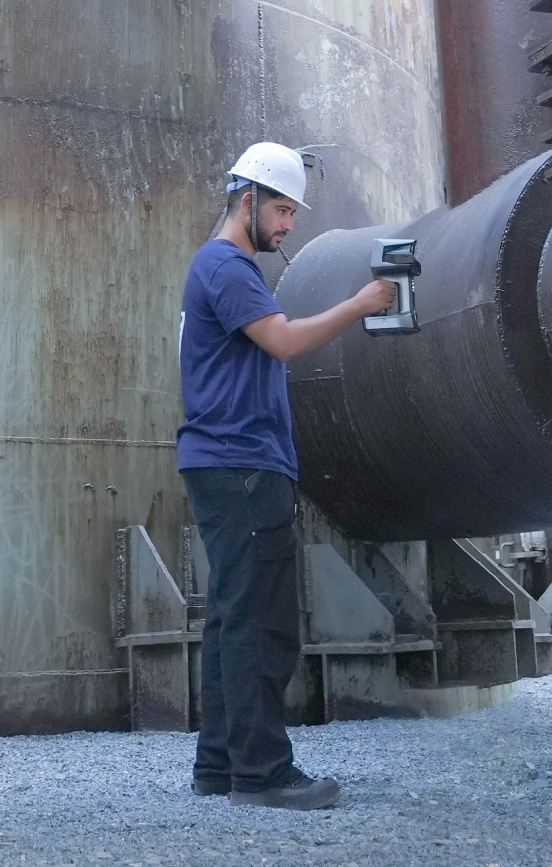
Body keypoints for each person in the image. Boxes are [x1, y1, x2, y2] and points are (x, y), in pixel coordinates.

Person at [177, 142, 396, 810]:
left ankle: (219, 763)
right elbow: (284, 341)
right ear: (245, 198)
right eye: (279, 208)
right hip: (242, 462)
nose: (287, 224)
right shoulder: (228, 265)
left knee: (230, 619)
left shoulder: (218, 268)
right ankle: (262, 771)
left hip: (224, 462)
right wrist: (361, 303)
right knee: (260, 624)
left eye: (291, 212)